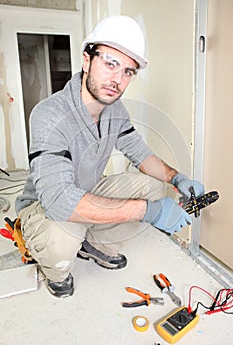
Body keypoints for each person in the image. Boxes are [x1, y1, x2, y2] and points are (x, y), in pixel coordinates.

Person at [15, 15, 204, 298]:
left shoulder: (116, 111)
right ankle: (57, 271)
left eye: (128, 71)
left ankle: (94, 243)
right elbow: (59, 202)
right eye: (110, 63)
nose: (118, 79)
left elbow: (140, 153)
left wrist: (177, 178)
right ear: (86, 60)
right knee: (61, 238)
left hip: (87, 190)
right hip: (44, 206)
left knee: (153, 186)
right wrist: (148, 211)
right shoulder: (49, 114)